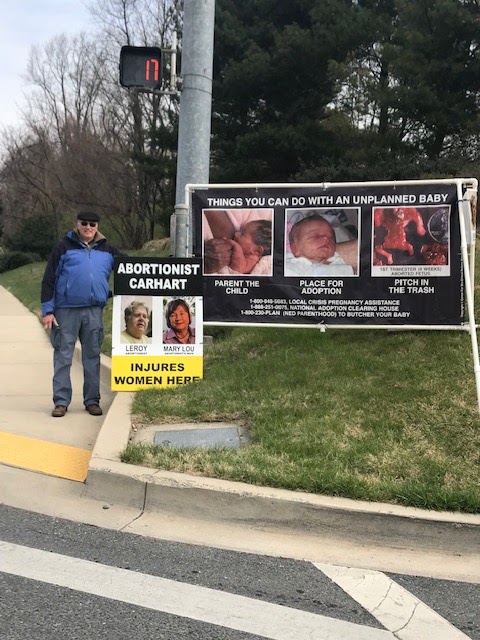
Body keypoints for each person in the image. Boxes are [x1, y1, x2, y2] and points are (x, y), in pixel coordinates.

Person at [41, 210, 125, 417]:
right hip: (65, 311)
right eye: (84, 223)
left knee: (92, 357)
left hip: (94, 311)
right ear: (77, 224)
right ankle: (61, 401)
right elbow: (49, 279)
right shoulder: (63, 247)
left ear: (97, 227)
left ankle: (92, 401)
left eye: (92, 224)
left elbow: (132, 268)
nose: (88, 228)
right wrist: (48, 311)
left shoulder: (108, 250)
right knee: (63, 357)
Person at [285, 214, 355, 276]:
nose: (326, 238)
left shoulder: (339, 261)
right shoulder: (291, 267)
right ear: (295, 249)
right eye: (314, 236)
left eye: (331, 238)